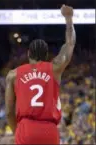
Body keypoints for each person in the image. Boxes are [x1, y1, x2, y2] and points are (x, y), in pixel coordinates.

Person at [5, 5, 76, 144]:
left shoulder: (13, 75)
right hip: (49, 129)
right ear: (46, 55)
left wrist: (17, 132)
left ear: (28, 54)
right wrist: (68, 18)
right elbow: (70, 44)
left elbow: (8, 112)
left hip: (26, 128)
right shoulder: (55, 68)